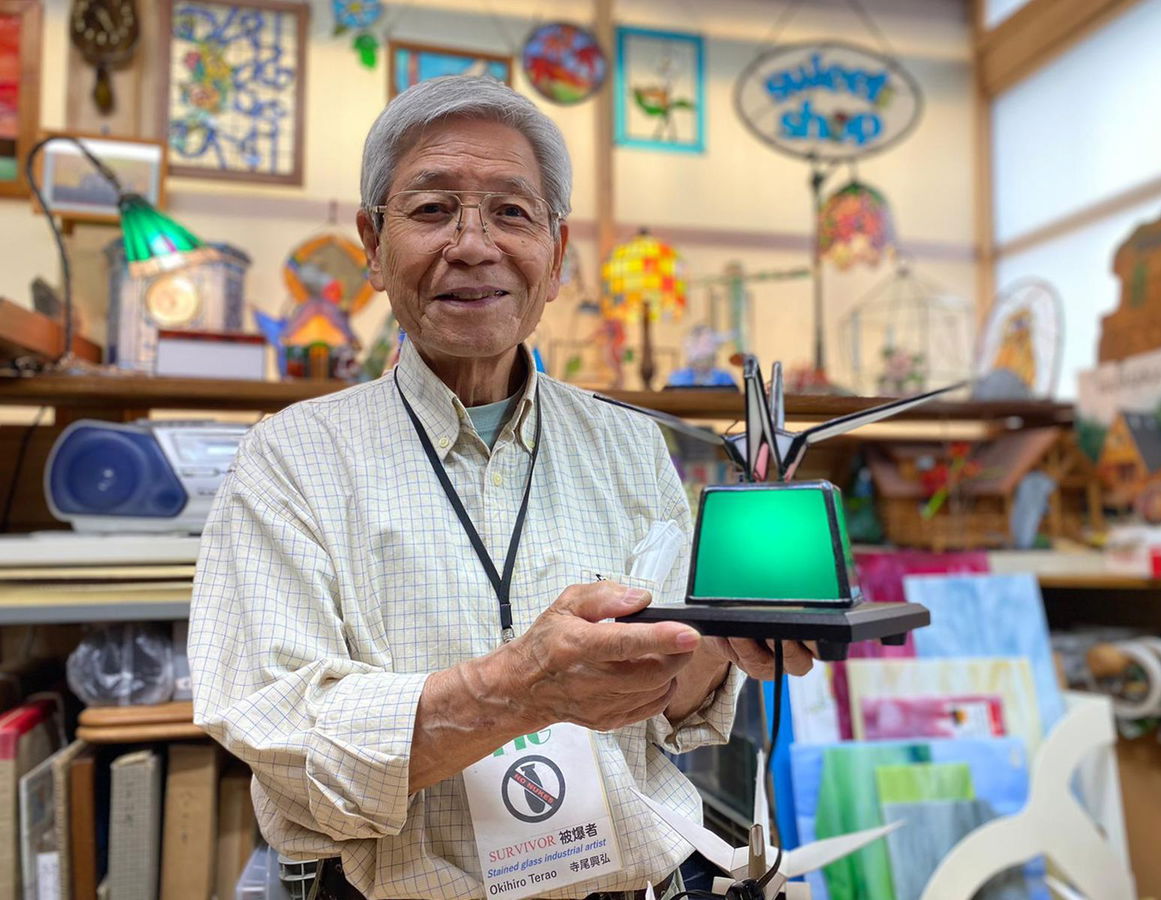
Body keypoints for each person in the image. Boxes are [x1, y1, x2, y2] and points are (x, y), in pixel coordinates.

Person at [189, 75, 814, 900]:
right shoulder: (291, 457)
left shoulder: (628, 443)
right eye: (433, 209)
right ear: (373, 244)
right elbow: (280, 730)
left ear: (556, 257)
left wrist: (716, 648)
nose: (473, 244)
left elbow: (665, 719)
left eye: (511, 213)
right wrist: (516, 689)